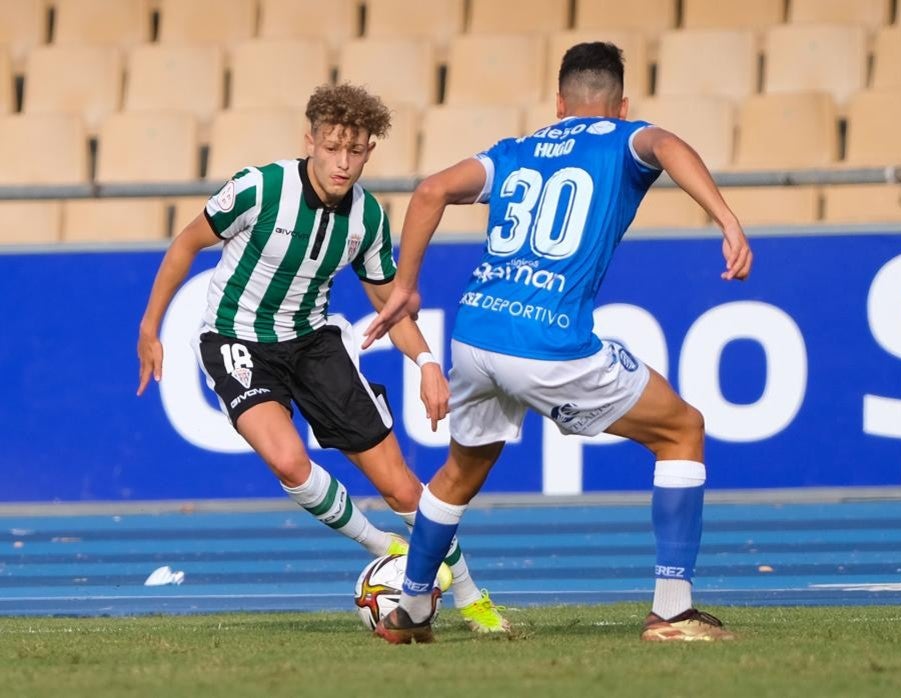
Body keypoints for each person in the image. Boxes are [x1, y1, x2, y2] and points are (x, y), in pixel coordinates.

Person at [361, 42, 752, 643]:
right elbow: (668, 145)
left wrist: (407, 285)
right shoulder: (623, 139)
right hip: (545, 341)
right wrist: (725, 218)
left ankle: (411, 609)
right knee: (682, 430)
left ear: (559, 102)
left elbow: (430, 190)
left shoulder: (514, 151)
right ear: (621, 105)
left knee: (460, 473)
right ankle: (673, 611)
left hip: (474, 330)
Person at [136, 83, 511, 632]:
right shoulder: (260, 188)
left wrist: (427, 363)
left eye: (355, 150)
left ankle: (473, 597)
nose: (343, 161)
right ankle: (383, 545)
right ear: (309, 140)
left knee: (403, 486)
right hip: (236, 340)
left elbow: (390, 305)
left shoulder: (368, 220)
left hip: (314, 342)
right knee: (288, 460)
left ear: (369, 151)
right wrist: (150, 327)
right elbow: (186, 244)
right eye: (332, 147)